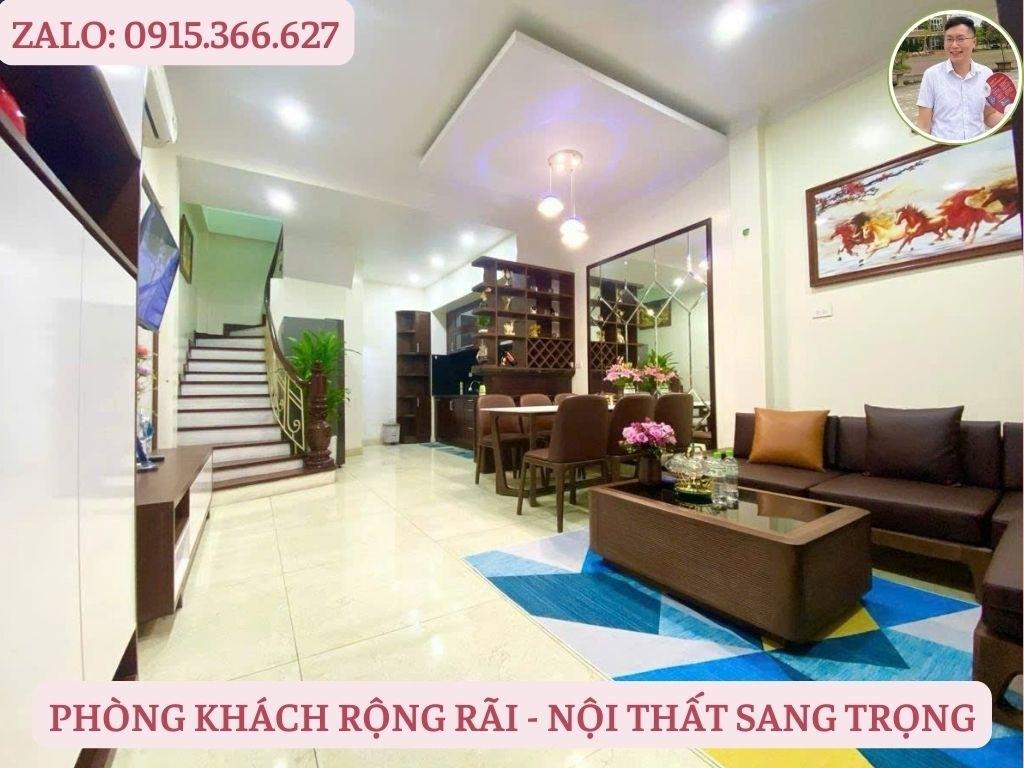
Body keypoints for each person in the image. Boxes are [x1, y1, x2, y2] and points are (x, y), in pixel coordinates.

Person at [915, 15, 1001, 141]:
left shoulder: (986, 74)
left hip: (978, 146)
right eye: (949, 39)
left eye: (960, 39)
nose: (954, 45)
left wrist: (1010, 118)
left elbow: (989, 115)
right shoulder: (932, 75)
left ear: (974, 42)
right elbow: (923, 125)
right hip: (944, 149)